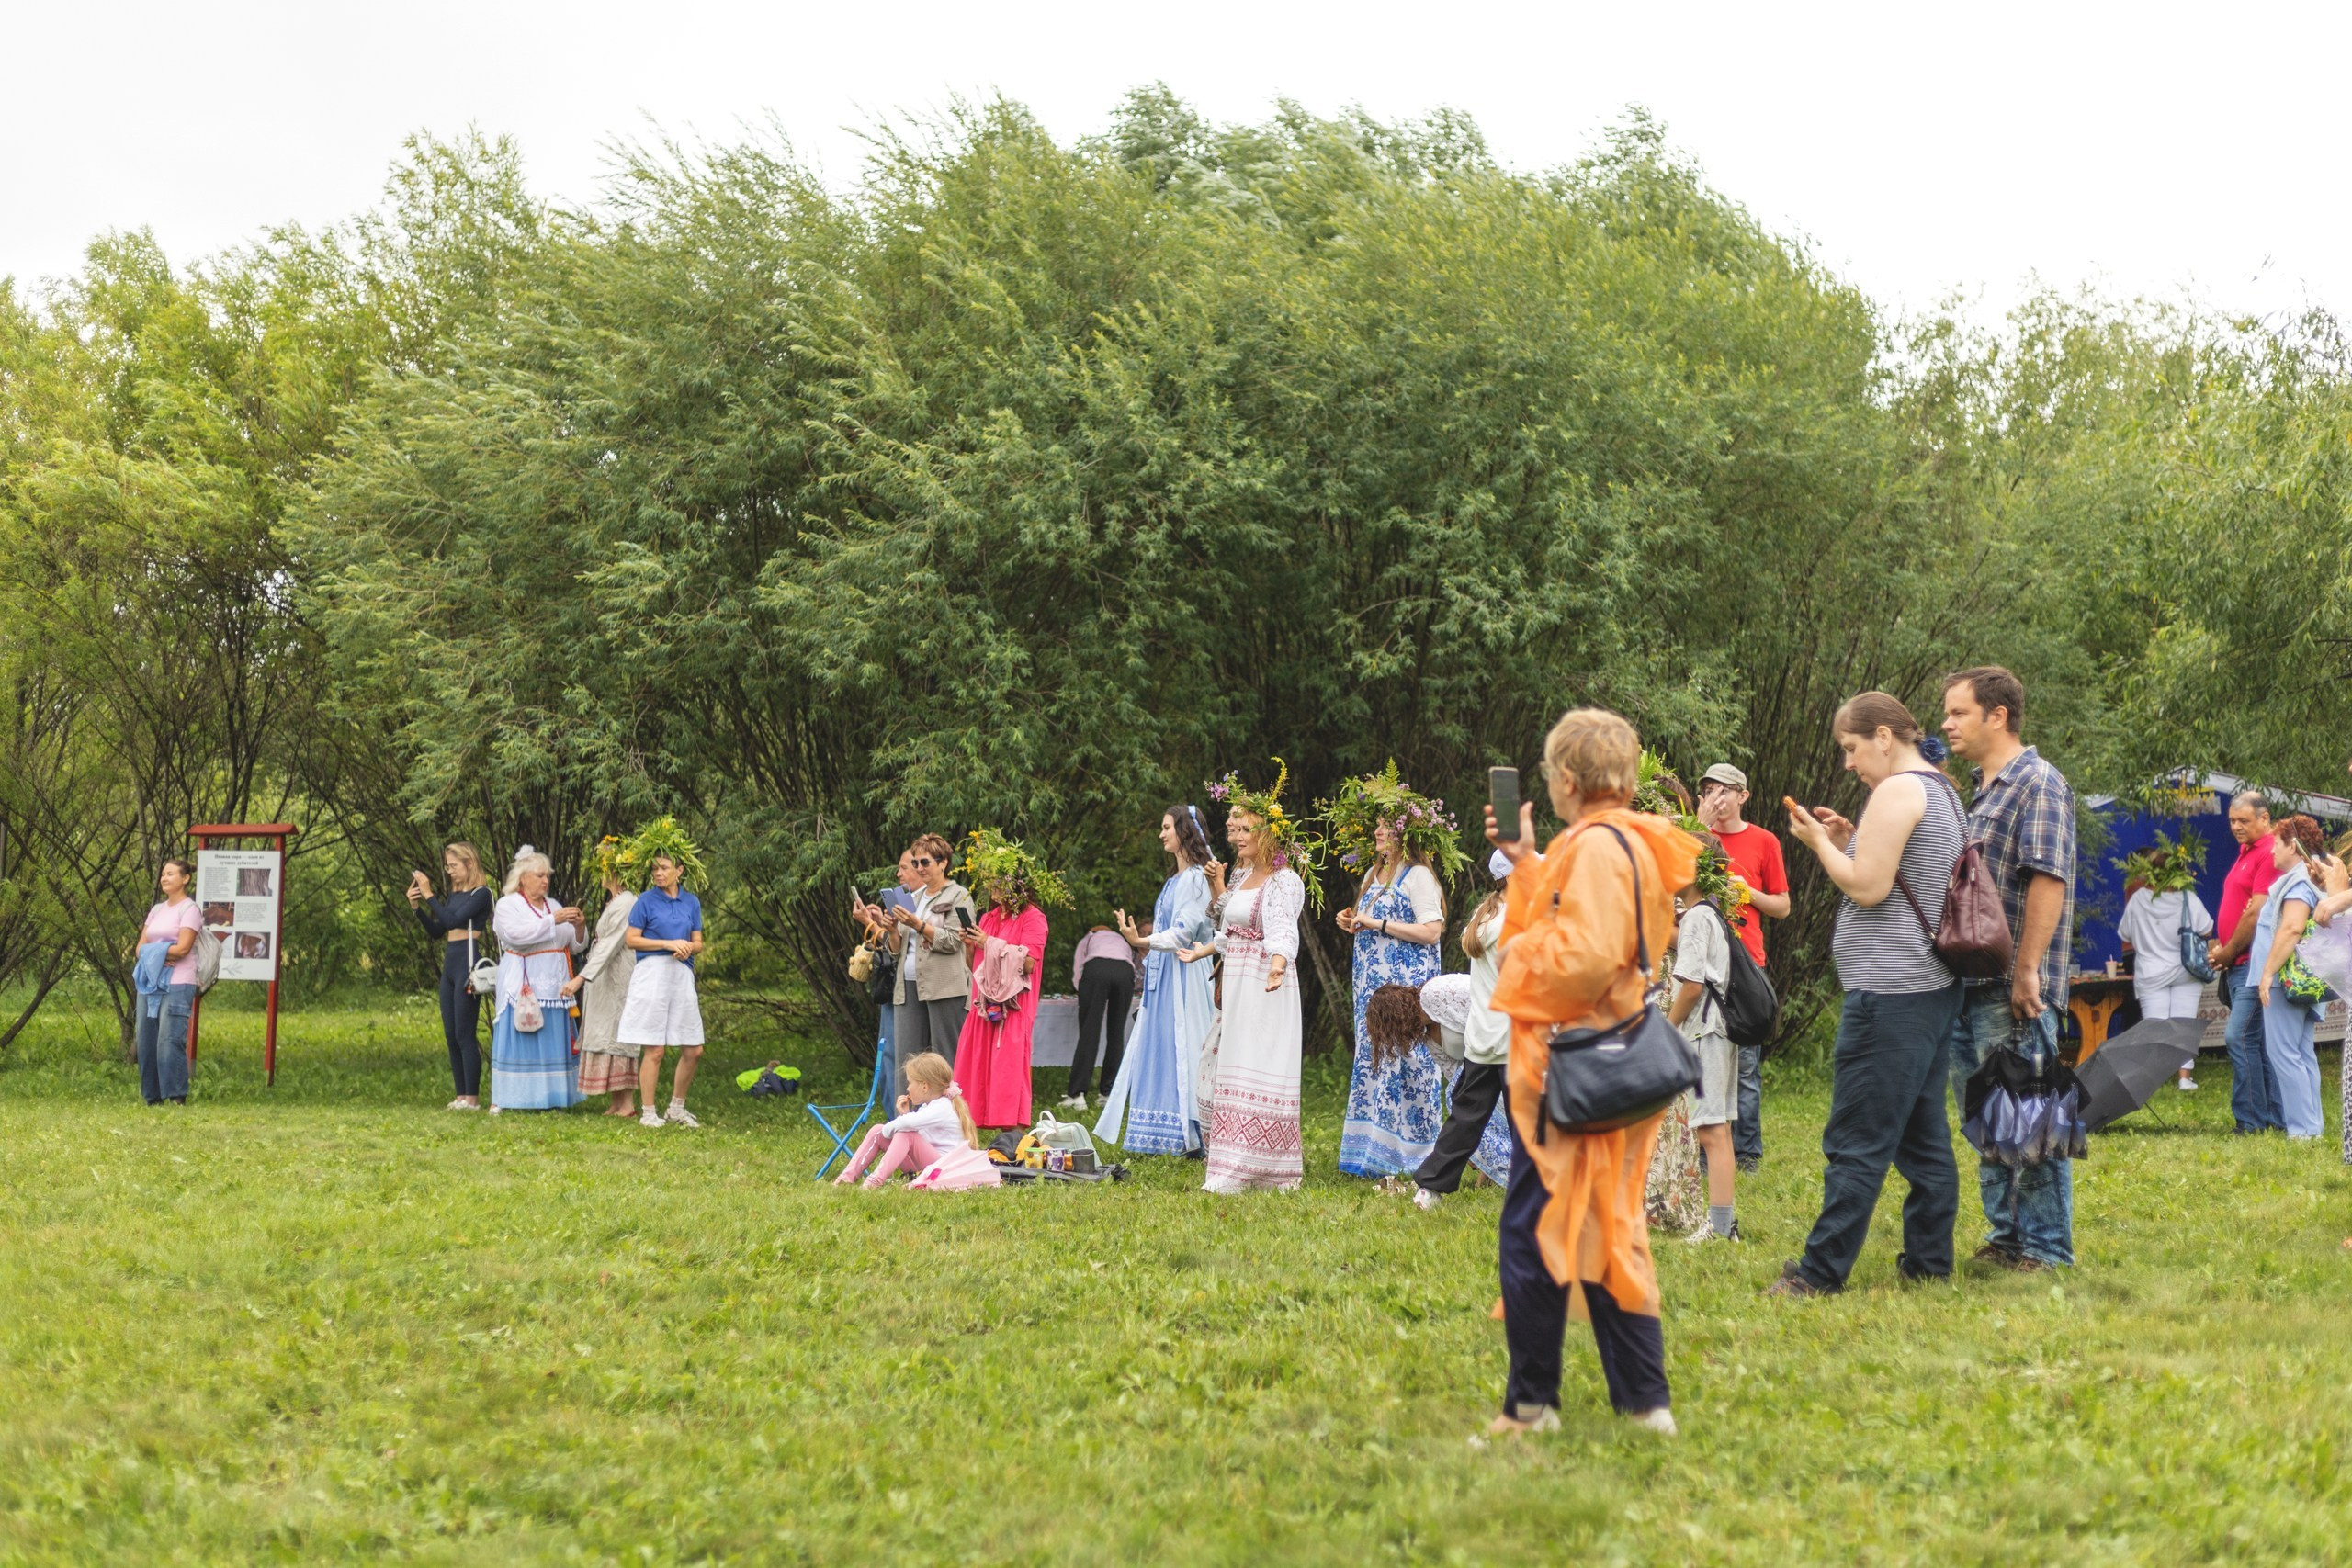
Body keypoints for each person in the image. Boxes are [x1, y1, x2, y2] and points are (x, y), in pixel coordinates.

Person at [1482, 708, 1697, 1438]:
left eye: (1548, 777)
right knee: (1608, 1224)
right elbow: (1576, 917)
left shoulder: (1599, 847)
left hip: (1572, 1071)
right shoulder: (1625, 840)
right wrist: (1526, 860)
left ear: (1566, 780)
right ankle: (1644, 1403)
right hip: (1612, 1056)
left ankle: (1531, 1406)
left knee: (1537, 1231)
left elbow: (1587, 954)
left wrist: (1517, 961)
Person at [1769, 692, 1967, 1297]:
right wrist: (1851, 836)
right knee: (1922, 1136)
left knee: (1857, 1139)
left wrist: (1818, 844)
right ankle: (1929, 1262)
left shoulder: (1898, 790)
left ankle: (1819, 1274)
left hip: (1890, 994)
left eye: (1852, 749)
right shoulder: (1941, 789)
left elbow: (1870, 886)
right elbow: (1910, 867)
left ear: (1884, 735)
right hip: (1930, 989)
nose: (1850, 763)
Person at [1940, 666, 2079, 1273]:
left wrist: (2029, 972)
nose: (1945, 723)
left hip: (2012, 988)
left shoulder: (2037, 782)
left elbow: (2047, 878)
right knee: (1988, 1119)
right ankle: (2006, 1237)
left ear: (1997, 715)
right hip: (1966, 984)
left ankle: (2046, 1248)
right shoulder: (1979, 788)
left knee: (2031, 1119)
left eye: (1957, 712)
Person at [1188, 773, 1308, 1193]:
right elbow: (1230, 929)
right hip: (1237, 982)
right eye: (1234, 827)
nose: (1237, 835)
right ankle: (1229, 1165)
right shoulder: (1240, 878)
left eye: (1245, 828)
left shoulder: (1284, 880)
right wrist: (1204, 951)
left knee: (1257, 1064)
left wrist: (1277, 965)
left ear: (1267, 833)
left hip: (1264, 983)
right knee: (1228, 1063)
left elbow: (1281, 929)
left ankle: (1260, 1170)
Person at [1096, 807, 1219, 1155]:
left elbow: (1183, 933)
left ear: (1183, 831)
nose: (1161, 834)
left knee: (1188, 1044)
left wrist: (1141, 942)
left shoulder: (1196, 878)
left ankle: (1194, 1132)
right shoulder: (1173, 881)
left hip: (1185, 973)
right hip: (1165, 974)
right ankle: (1162, 1131)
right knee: (1163, 1046)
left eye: (1166, 827)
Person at [1337, 816, 1451, 1180]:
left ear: (1407, 833)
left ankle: (1416, 1152)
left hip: (1405, 989)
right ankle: (1371, 1151)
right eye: (1377, 825)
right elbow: (1368, 920)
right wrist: (1353, 920)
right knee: (1375, 1059)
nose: (1377, 831)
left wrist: (1377, 924)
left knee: (1411, 1063)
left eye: (1387, 826)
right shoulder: (1374, 875)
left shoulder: (1418, 876)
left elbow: (1432, 931)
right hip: (1371, 988)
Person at [1410, 851, 1521, 1211]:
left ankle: (1429, 1189)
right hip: (1515, 1038)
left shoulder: (1484, 915)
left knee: (1466, 1118)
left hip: (1484, 1038)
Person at [1695, 764, 1788, 1169]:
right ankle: (1702, 1149)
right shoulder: (1695, 838)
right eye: (1709, 790)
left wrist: (1748, 892)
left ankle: (1747, 1152)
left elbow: (1783, 906)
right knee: (1701, 1057)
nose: (1716, 797)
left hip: (1747, 961)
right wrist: (1695, 829)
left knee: (1746, 1064)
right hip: (1701, 958)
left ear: (1743, 796)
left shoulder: (1764, 841)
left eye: (1724, 790)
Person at [952, 832, 1053, 1131]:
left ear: (1014, 883)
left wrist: (990, 942)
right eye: (988, 882)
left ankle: (1013, 1135)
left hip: (1014, 1007)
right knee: (977, 1069)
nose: (990, 887)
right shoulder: (988, 917)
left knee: (1008, 1068)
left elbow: (1030, 962)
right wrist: (971, 945)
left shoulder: (1034, 918)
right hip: (984, 1004)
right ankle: (974, 1129)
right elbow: (975, 966)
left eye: (996, 881)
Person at [1667, 874, 1739, 1242]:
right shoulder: (1711, 911)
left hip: (1704, 1029)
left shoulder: (1696, 916)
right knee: (1719, 1129)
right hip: (1720, 1029)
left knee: (1711, 1131)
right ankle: (1725, 1225)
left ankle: (1720, 1227)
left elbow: (1692, 986)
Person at [488, 847, 588, 1112]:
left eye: (547, 876)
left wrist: (579, 926)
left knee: (552, 1040)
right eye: (539, 875)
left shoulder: (553, 904)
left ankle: (552, 1097)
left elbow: (575, 946)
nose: (545, 881)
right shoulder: (508, 904)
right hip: (524, 983)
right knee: (523, 1038)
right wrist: (552, 921)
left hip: (555, 986)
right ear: (522, 878)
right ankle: (510, 1097)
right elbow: (516, 936)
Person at [2207, 792, 2283, 1133]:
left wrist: (2227, 951)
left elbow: (2256, 913)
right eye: (2233, 821)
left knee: (2238, 1037)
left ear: (2264, 819)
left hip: (2254, 963)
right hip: (2240, 963)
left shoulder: (2267, 852)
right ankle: (2273, 1119)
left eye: (2244, 821)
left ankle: (2250, 1121)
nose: (2236, 827)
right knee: (2256, 1043)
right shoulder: (2246, 853)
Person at [2251, 815, 2326, 1139]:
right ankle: (2312, 1127)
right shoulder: (2312, 877)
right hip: (2305, 979)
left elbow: (2292, 927)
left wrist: (2267, 973)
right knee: (2302, 1052)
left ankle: (2302, 1131)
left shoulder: (2297, 883)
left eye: (2276, 846)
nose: (2271, 853)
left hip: (2287, 979)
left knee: (2284, 1054)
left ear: (2293, 847)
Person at [2114, 850, 2213, 1092]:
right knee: (2183, 1022)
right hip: (2185, 969)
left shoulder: (2138, 900)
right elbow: (2207, 929)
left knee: (2153, 1026)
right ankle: (2184, 1078)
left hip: (2150, 970)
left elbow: (2125, 934)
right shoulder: (2188, 898)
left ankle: (2152, 1079)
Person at [621, 851, 707, 1129]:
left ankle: (676, 1109)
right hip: (652, 974)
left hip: (680, 975)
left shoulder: (691, 902)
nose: (658, 873)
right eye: (655, 869)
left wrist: (686, 948)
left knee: (694, 1049)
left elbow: (698, 942)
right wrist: (669, 944)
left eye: (664, 868)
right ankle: (648, 1112)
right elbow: (632, 940)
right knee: (655, 1049)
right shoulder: (645, 901)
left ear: (679, 871)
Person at [880, 834, 976, 1067]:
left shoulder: (959, 895)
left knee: (947, 1058)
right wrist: (892, 931)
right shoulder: (912, 897)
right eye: (915, 863)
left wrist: (919, 925)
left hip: (945, 987)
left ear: (943, 863)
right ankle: (907, 1106)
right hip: (908, 985)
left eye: (925, 862)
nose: (919, 868)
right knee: (908, 1060)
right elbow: (895, 952)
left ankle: (952, 1105)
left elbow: (956, 941)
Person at [409, 842, 492, 1111]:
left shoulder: (482, 894)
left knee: (465, 1033)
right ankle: (460, 1096)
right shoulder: (455, 894)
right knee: (451, 1033)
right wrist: (418, 909)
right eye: (447, 866)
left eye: (454, 866)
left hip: (468, 963)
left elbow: (454, 921)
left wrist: (429, 894)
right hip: (450, 964)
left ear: (469, 864)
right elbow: (438, 929)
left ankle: (473, 1098)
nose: (450, 872)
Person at [561, 848, 639, 1117]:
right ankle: (618, 1102)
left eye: (602, 868)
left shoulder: (628, 902)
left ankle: (627, 1103)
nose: (599, 874)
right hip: (604, 976)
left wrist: (579, 979)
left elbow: (610, 945)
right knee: (606, 1032)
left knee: (618, 1032)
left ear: (614, 872)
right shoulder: (615, 901)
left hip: (617, 974)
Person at [834, 1052, 979, 1188]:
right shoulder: (928, 1107)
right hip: (930, 1167)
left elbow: (908, 1128)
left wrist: (890, 1128)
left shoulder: (942, 1106)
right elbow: (918, 1135)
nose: (908, 1088)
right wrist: (904, 1115)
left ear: (924, 1086)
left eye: (910, 1083)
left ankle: (874, 1181)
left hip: (944, 1171)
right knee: (878, 1130)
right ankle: (847, 1177)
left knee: (904, 1132)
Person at [852, 849, 924, 1111]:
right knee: (889, 1053)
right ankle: (895, 1113)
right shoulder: (906, 902)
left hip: (910, 988)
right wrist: (875, 923)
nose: (899, 873)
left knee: (898, 1054)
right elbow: (893, 942)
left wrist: (870, 926)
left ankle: (902, 1114)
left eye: (905, 867)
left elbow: (899, 947)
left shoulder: (923, 904)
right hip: (895, 988)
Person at [133, 857, 204, 1106]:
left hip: (178, 982)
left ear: (185, 879)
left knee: (169, 1039)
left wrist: (156, 951)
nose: (164, 877)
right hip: (149, 981)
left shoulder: (189, 910)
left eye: (171, 874)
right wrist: (163, 952)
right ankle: (152, 1097)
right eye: (163, 873)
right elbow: (139, 949)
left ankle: (176, 1096)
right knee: (146, 1039)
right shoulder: (156, 910)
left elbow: (183, 949)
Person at [1064, 921, 1139, 1110]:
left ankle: (1077, 1094)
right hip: (1124, 971)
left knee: (1089, 1031)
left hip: (1096, 968)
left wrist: (1085, 996)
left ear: (1093, 931)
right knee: (1116, 1033)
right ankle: (1107, 1092)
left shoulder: (1089, 938)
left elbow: (1078, 970)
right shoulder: (1121, 939)